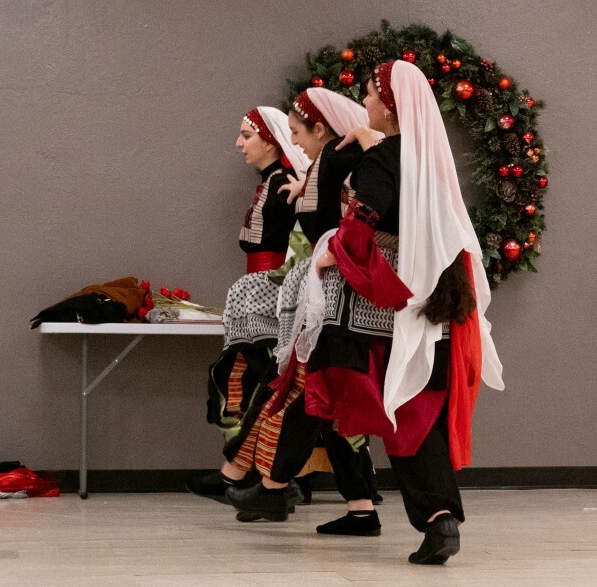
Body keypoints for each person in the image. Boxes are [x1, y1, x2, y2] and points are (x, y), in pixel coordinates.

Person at [251, 60, 505, 564]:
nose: (363, 103)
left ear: (388, 103)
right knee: (417, 412)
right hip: (433, 298)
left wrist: (332, 253)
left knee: (388, 405)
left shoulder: (383, 157)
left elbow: (366, 216)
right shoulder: (428, 157)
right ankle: (438, 518)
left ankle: (281, 484)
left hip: (381, 305)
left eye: (368, 94)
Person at [225, 88, 383, 524]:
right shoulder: (337, 162)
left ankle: (267, 483)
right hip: (335, 289)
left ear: (319, 127)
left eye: (297, 132)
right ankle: (360, 507)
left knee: (312, 391)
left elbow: (334, 224)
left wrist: (329, 243)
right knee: (327, 396)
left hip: (338, 293)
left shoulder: (337, 157)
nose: (294, 142)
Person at [187, 107, 310, 513]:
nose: (239, 144)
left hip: (274, 292)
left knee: (265, 382)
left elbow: (296, 247)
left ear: (271, 140)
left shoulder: (284, 186)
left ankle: (262, 478)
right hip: (260, 291)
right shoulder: (271, 184)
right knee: (252, 379)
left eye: (246, 135)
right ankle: (259, 479)